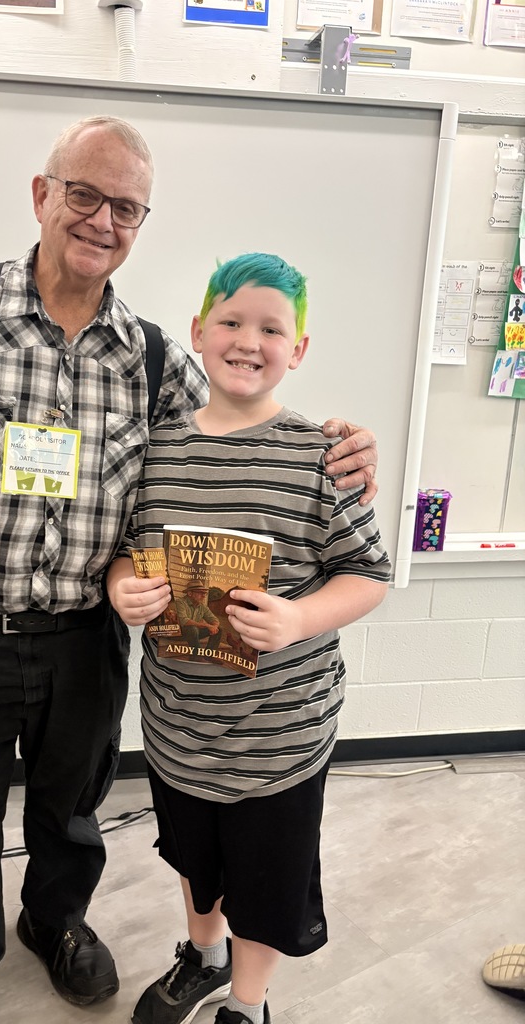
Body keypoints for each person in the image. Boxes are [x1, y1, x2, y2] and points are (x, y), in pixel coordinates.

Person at [0, 118, 380, 1024]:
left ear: (141, 222)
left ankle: (55, 925)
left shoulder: (151, 355)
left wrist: (349, 441)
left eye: (126, 207)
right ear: (41, 194)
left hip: (82, 639)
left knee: (71, 809)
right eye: (84, 195)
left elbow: (229, 420)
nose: (102, 220)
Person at [106, 252, 391, 1024]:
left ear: (297, 350)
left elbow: (369, 571)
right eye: (230, 321)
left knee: (267, 882)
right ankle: (201, 957)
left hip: (281, 736)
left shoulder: (320, 457)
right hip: (178, 727)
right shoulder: (156, 451)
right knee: (196, 862)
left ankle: (248, 1001)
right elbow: (128, 549)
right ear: (198, 332)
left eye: (272, 328)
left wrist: (299, 619)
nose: (248, 340)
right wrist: (122, 587)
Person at [176, 581, 223, 652]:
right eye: (200, 592)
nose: (204, 596)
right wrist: (207, 625)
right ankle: (197, 655)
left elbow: (214, 619)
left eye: (204, 593)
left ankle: (209, 654)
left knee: (218, 629)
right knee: (192, 629)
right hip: (180, 634)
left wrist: (214, 627)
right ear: (190, 593)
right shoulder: (180, 602)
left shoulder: (202, 606)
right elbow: (184, 621)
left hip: (195, 634)